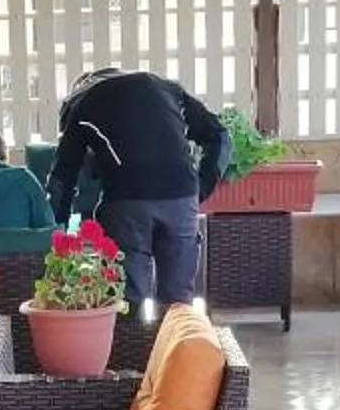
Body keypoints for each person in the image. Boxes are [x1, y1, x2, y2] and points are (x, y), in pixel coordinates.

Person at [45, 67, 227, 309]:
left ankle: (134, 344)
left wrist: (57, 231)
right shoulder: (167, 90)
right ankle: (179, 343)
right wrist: (200, 188)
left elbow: (63, 176)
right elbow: (220, 137)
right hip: (180, 197)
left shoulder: (82, 104)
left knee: (129, 302)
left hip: (126, 202)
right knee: (179, 302)